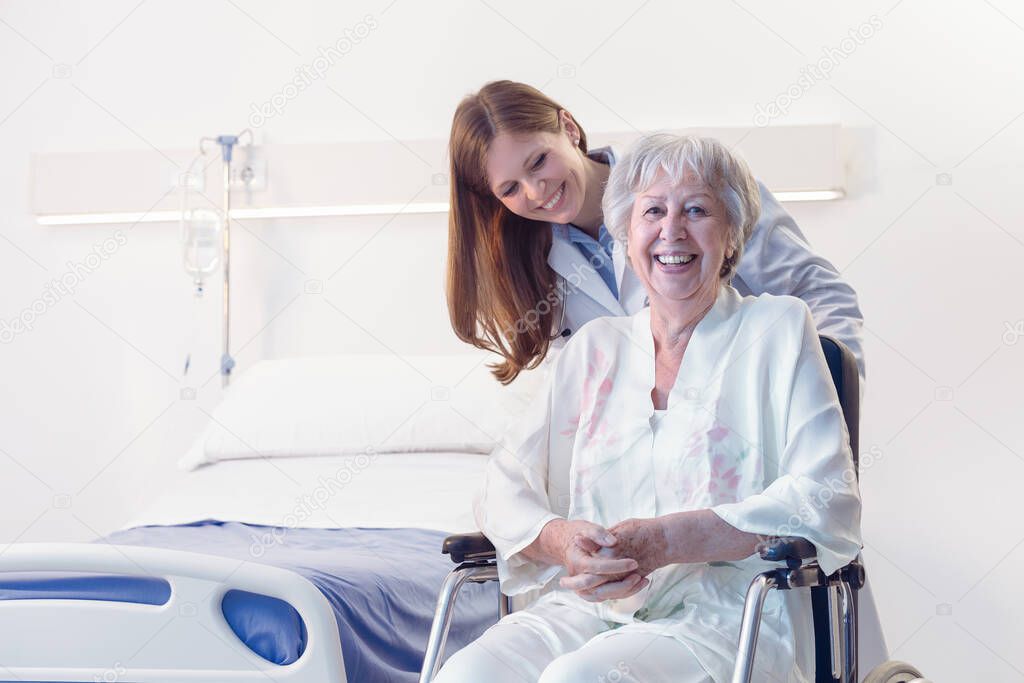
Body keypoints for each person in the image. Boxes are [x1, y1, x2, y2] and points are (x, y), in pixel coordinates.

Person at [434, 133, 862, 682]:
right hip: (588, 608)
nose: (671, 231)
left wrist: (668, 541)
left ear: (731, 235)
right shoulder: (594, 348)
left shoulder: (778, 329)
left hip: (727, 614)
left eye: (697, 210)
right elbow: (504, 484)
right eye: (653, 211)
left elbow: (828, 497)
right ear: (627, 235)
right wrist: (564, 542)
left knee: (580, 679)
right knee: (468, 674)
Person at [445, 80, 864, 387]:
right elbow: (574, 384)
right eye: (510, 189)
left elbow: (819, 292)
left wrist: (826, 398)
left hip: (746, 412)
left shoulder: (694, 177)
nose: (537, 192)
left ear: (568, 128)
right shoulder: (527, 262)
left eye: (538, 161)